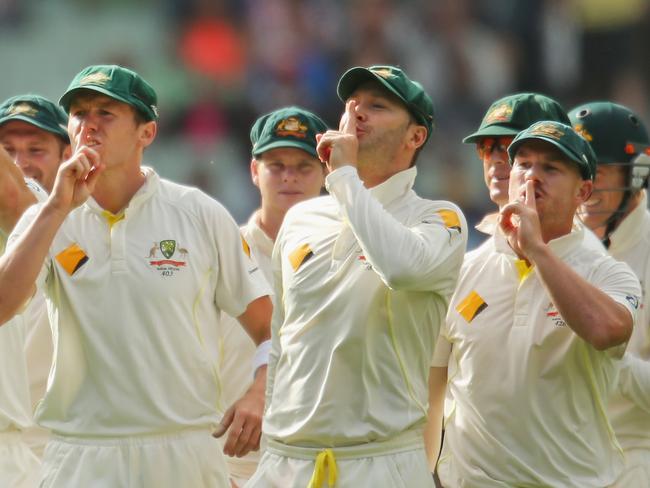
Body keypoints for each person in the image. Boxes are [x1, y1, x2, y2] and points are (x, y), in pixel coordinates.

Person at [0, 65, 272, 487]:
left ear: (146, 133)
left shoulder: (198, 213)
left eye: (106, 113)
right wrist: (55, 210)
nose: (89, 124)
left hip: (183, 449)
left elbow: (269, 330)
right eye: (79, 113)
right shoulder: (47, 217)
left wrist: (259, 393)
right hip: (81, 451)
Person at [247, 65, 468, 488]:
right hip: (286, 462)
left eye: (377, 107)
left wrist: (345, 177)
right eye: (352, 106)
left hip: (379, 462)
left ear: (415, 137)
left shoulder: (438, 218)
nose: (357, 114)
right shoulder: (302, 219)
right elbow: (283, 340)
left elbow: (401, 268)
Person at [430, 120, 641, 486]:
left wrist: (537, 251)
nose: (531, 177)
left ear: (583, 191)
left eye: (551, 168)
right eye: (523, 164)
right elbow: (434, 385)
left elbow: (608, 330)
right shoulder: (464, 270)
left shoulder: (608, 274)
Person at [424, 93, 573, 469]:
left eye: (509, 147)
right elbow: (434, 392)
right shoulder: (463, 266)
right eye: (487, 148)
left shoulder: (597, 262)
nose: (494, 159)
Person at [214, 106, 328, 487]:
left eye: (303, 165)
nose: (289, 177)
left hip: (318, 462)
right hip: (229, 463)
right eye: (275, 164)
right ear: (253, 171)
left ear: (327, 172)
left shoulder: (349, 255)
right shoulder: (221, 251)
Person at [570, 101, 650, 485]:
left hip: (636, 455)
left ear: (638, 174)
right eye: (579, 170)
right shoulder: (556, 244)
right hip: (558, 452)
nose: (587, 188)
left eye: (600, 171)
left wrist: (610, 362)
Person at [0, 94, 72, 463]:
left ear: (66, 154)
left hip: (61, 448)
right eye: (8, 150)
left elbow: (79, 267)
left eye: (35, 149)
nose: (20, 163)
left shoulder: (81, 229)